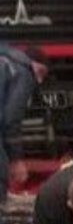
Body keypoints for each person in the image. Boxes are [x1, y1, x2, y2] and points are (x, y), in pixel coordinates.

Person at [0, 44, 48, 204]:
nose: (39, 82)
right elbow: (11, 119)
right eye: (42, 74)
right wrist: (16, 160)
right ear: (38, 68)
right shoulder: (23, 72)